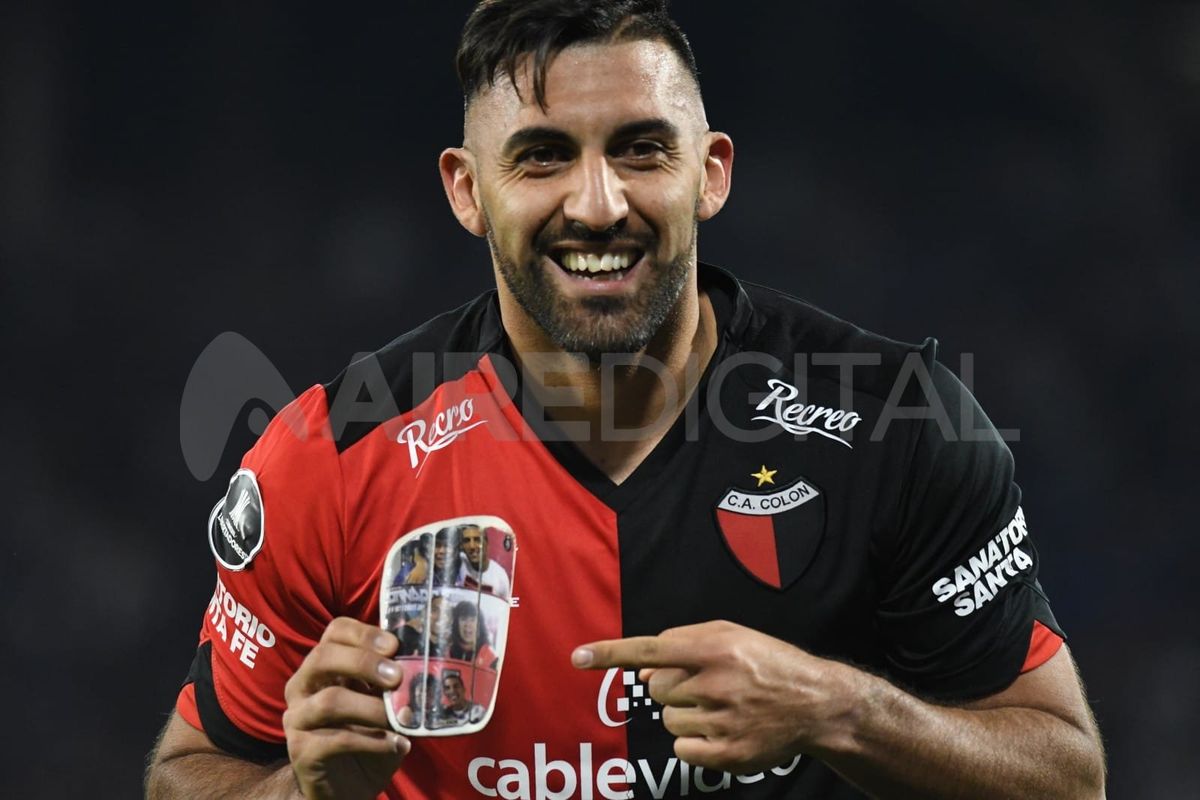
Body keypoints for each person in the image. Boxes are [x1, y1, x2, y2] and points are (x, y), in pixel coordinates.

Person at [145, 2, 1106, 799]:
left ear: (711, 171)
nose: (598, 203)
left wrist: (837, 708)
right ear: (466, 189)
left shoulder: (899, 422)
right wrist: (304, 790)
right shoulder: (331, 455)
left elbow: (1068, 776)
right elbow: (189, 775)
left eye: (641, 149)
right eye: (541, 156)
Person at [456, 524, 511, 598]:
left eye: (477, 539)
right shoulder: (460, 561)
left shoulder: (500, 576)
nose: (472, 546)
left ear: (487, 544)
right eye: (467, 541)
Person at [447, 599, 499, 669]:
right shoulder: (446, 652)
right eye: (463, 619)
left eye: (472, 620)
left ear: (479, 625)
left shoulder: (490, 657)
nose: (468, 624)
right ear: (456, 624)